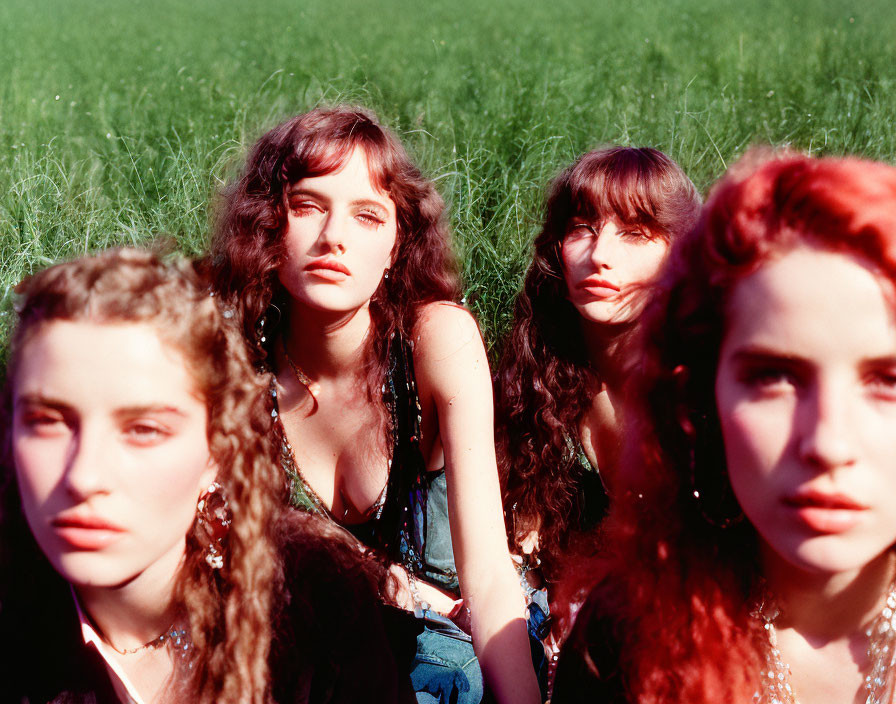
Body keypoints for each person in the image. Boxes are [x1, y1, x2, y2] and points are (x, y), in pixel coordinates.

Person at [208, 106, 540, 704]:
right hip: (320, 661)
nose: (333, 236)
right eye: (307, 206)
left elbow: (489, 577)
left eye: (367, 215)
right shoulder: (236, 368)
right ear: (266, 225)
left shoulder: (435, 342)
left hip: (468, 653)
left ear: (395, 248)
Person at [552, 150, 896, 704]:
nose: (828, 443)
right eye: (773, 378)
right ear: (701, 398)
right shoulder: (621, 649)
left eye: (886, 381)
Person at [0, 247, 414, 703]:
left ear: (215, 450)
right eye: (48, 422)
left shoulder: (319, 617)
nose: (83, 475)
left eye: (143, 429)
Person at [495, 147, 701, 585]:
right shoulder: (531, 384)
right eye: (582, 229)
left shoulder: (705, 389)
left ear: (679, 255)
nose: (600, 254)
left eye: (634, 232)